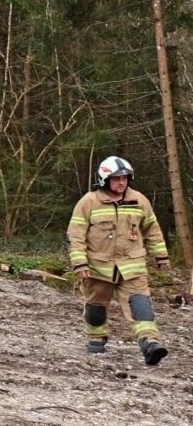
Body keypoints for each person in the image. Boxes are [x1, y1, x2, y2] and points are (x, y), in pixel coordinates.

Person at [67, 156, 170, 365]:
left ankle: (150, 343)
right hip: (98, 268)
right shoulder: (88, 202)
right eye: (116, 179)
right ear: (105, 180)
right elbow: (75, 234)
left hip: (132, 267)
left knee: (141, 306)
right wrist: (80, 263)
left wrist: (160, 255)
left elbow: (152, 228)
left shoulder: (139, 200)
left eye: (124, 178)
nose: (121, 182)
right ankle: (96, 340)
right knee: (96, 308)